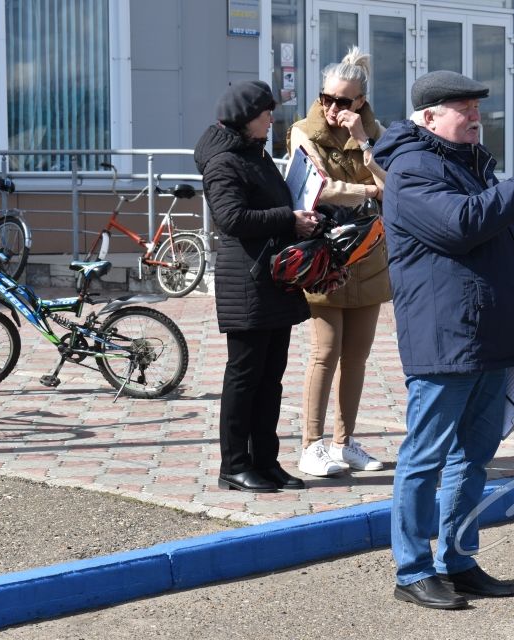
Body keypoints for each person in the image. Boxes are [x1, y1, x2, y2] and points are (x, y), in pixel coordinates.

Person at [373, 70, 514, 610]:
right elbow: (459, 225)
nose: (476, 115)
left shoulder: (468, 161)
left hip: (485, 333)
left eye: (477, 106)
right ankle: (412, 569)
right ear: (429, 117)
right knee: (426, 456)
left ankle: (456, 560)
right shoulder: (412, 168)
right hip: (445, 338)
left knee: (473, 456)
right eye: (464, 107)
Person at [194, 80, 319, 493]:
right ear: (246, 118)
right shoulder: (223, 162)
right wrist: (289, 218)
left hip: (272, 278)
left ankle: (266, 462)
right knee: (244, 377)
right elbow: (231, 218)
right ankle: (234, 465)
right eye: (266, 112)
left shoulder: (255, 154)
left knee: (271, 377)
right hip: (246, 281)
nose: (271, 117)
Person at [287, 47, 391, 477]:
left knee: (357, 357)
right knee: (325, 353)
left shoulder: (376, 133)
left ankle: (344, 442)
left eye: (343, 101)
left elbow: (394, 182)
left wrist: (365, 143)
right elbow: (319, 188)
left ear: (360, 103)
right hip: (325, 256)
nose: (332, 108)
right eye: (326, 97)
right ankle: (311, 445)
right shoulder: (302, 131)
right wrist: (367, 192)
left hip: (368, 253)